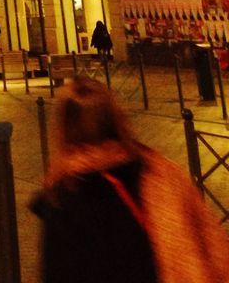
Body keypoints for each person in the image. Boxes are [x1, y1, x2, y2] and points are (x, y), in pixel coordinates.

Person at [31, 76, 229, 283]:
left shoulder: (63, 199)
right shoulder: (161, 171)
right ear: (116, 118)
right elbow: (209, 240)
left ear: (62, 130)